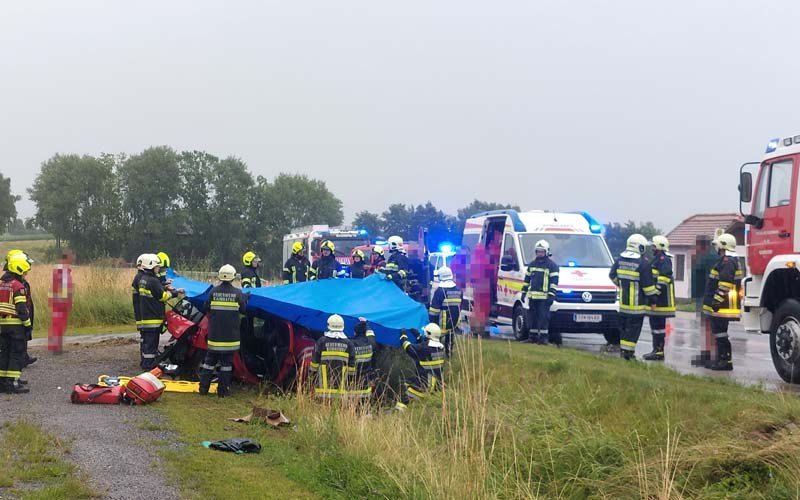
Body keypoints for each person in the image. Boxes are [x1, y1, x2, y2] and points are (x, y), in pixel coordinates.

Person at [199, 264, 248, 397]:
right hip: (230, 338)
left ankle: (203, 389)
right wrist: (245, 299)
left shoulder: (213, 292)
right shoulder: (238, 293)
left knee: (209, 363)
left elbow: (205, 308)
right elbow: (244, 310)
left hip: (215, 336)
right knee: (226, 365)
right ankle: (223, 392)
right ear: (233, 277)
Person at [609, 234, 658, 360]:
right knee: (633, 331)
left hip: (623, 306)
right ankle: (628, 355)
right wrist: (653, 300)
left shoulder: (620, 259)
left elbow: (612, 275)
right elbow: (648, 287)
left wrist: (620, 284)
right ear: (639, 247)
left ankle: (624, 352)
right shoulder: (643, 264)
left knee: (624, 330)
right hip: (637, 306)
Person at [702, 233, 742, 371]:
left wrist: (716, 302)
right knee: (720, 333)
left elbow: (725, 284)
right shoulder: (729, 260)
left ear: (723, 246)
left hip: (722, 305)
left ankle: (725, 360)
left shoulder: (727, 261)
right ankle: (722, 359)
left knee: (720, 333)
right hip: (723, 304)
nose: (716, 248)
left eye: (718, 245)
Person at [137, 254, 182, 369]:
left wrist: (163, 285)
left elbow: (154, 290)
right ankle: (149, 367)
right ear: (151, 266)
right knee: (151, 346)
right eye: (157, 266)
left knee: (147, 344)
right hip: (153, 318)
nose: (158, 268)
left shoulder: (143, 279)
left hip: (146, 317)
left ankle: (145, 363)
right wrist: (176, 293)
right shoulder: (153, 280)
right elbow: (163, 297)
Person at [0, 253, 33, 394]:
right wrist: (27, 325)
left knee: (4, 353)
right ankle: (12, 383)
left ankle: (2, 383)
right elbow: (21, 309)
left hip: (2, 326)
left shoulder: (2, 285)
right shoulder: (18, 286)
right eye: (25, 271)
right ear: (19, 270)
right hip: (16, 327)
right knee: (16, 353)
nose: (26, 274)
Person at [394, 323, 446, 411]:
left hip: (424, 385)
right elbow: (425, 347)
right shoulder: (441, 347)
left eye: (425, 332)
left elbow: (409, 348)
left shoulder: (425, 348)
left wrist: (403, 336)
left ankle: (398, 414)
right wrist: (418, 336)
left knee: (403, 398)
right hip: (436, 386)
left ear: (429, 334)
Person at [520, 240, 560, 345]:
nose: (539, 253)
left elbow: (554, 282)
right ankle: (532, 337)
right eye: (538, 251)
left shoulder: (552, 266)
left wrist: (551, 295)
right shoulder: (532, 264)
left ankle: (543, 339)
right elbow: (527, 280)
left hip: (544, 298)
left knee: (543, 319)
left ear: (546, 252)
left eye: (542, 251)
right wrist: (524, 292)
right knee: (532, 318)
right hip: (533, 297)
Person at [308, 314, 355, 400]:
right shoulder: (349, 343)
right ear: (343, 326)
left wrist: (311, 376)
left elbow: (315, 363)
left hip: (323, 385)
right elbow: (352, 366)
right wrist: (350, 381)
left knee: (322, 408)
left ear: (328, 325)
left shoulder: (322, 341)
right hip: (341, 385)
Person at [644, 236, 676, 361]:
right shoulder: (657, 260)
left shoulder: (664, 260)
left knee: (658, 326)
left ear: (659, 247)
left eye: (653, 246)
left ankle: (658, 351)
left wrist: (654, 295)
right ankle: (656, 350)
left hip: (661, 301)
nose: (652, 248)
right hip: (658, 300)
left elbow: (664, 279)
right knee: (655, 326)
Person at [6, 250, 36, 367]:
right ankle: (20, 361)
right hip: (16, 321)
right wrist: (27, 323)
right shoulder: (16, 283)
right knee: (17, 343)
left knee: (21, 340)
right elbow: (20, 306)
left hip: (18, 318)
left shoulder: (18, 281)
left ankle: (24, 357)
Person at [428, 266, 462, 357]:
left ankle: (436, 356)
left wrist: (431, 323)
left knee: (435, 340)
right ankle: (449, 354)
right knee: (450, 338)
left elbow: (434, 311)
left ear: (440, 277)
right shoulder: (458, 290)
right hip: (454, 322)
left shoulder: (440, 291)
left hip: (442, 323)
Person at [48, 251, 74, 353]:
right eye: (71, 256)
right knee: (59, 325)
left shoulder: (59, 271)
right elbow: (65, 288)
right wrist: (67, 302)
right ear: (66, 258)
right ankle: (57, 347)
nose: (73, 258)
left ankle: (55, 346)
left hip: (57, 302)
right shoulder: (63, 271)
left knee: (56, 324)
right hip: (61, 303)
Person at [350, 317, 377, 400]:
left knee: (351, 407)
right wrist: (366, 324)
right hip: (366, 382)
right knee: (365, 405)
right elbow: (371, 334)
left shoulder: (351, 344)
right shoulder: (370, 343)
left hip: (352, 381)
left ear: (355, 333)